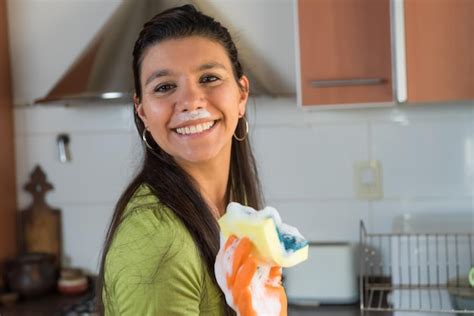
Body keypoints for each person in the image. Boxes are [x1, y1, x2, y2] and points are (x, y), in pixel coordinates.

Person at [97, 4, 286, 316]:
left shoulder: (232, 207)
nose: (190, 102)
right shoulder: (157, 239)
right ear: (142, 110)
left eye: (209, 77)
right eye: (165, 87)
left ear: (241, 95)